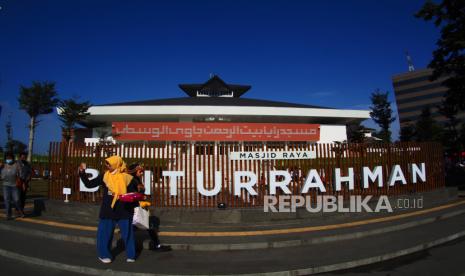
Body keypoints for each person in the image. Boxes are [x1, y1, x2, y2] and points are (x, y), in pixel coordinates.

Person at [78, 156, 139, 263]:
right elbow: (89, 184)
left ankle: (131, 255)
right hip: (108, 210)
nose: (107, 165)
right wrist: (82, 173)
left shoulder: (127, 178)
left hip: (124, 210)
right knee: (104, 234)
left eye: (109, 163)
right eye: (106, 163)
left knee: (128, 234)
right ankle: (104, 254)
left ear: (116, 164)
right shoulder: (105, 176)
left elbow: (135, 193)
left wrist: (133, 197)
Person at [128, 163, 171, 252]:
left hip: (140, 206)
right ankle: (131, 247)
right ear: (135, 171)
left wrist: (142, 199)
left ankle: (155, 245)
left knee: (147, 226)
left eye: (142, 171)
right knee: (134, 227)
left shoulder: (136, 180)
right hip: (133, 208)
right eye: (140, 171)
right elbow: (130, 194)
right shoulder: (130, 181)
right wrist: (140, 199)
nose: (142, 173)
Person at [1, 153, 24, 219]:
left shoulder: (16, 165)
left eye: (10, 158)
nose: (8, 159)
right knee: (6, 200)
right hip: (5, 185)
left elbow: (21, 173)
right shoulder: (3, 165)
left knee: (16, 199)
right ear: (5, 159)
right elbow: (1, 175)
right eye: (7, 158)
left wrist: (19, 178)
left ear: (13, 158)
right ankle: (8, 215)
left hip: (14, 185)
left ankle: (20, 211)